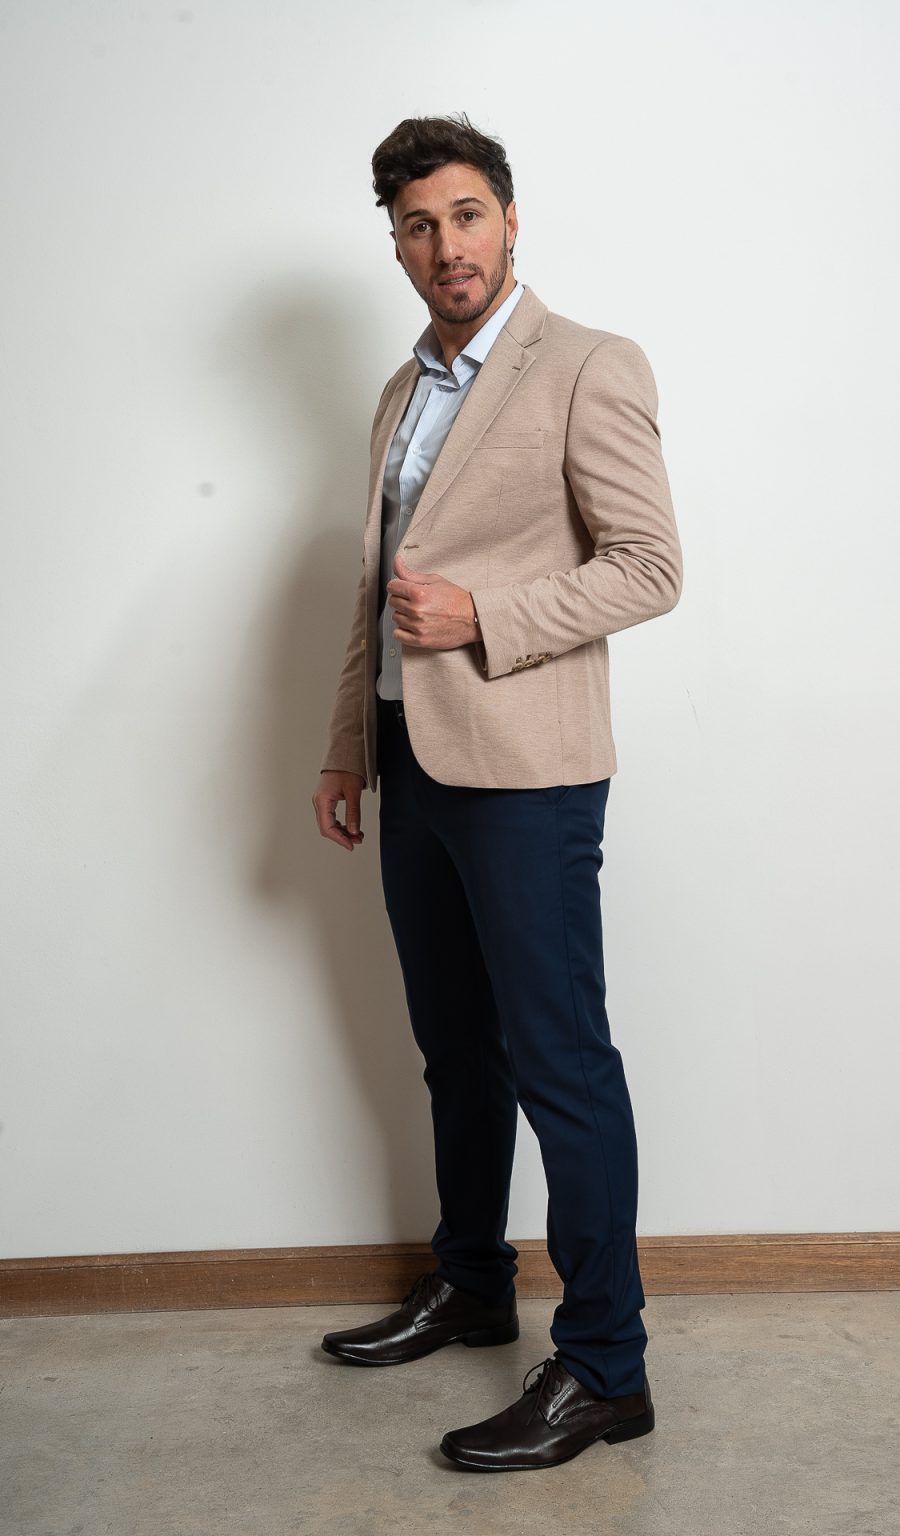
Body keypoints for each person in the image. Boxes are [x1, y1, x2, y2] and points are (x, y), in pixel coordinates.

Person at [312, 112, 682, 1472]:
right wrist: (347, 745)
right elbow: (377, 584)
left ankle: (607, 1369)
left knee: (559, 1061)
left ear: (510, 220)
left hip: (528, 773)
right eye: (417, 225)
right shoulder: (400, 391)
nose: (445, 245)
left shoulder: (587, 364)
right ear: (397, 244)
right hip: (411, 761)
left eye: (465, 215)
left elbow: (651, 565)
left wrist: (487, 616)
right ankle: (473, 1282)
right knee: (454, 1050)